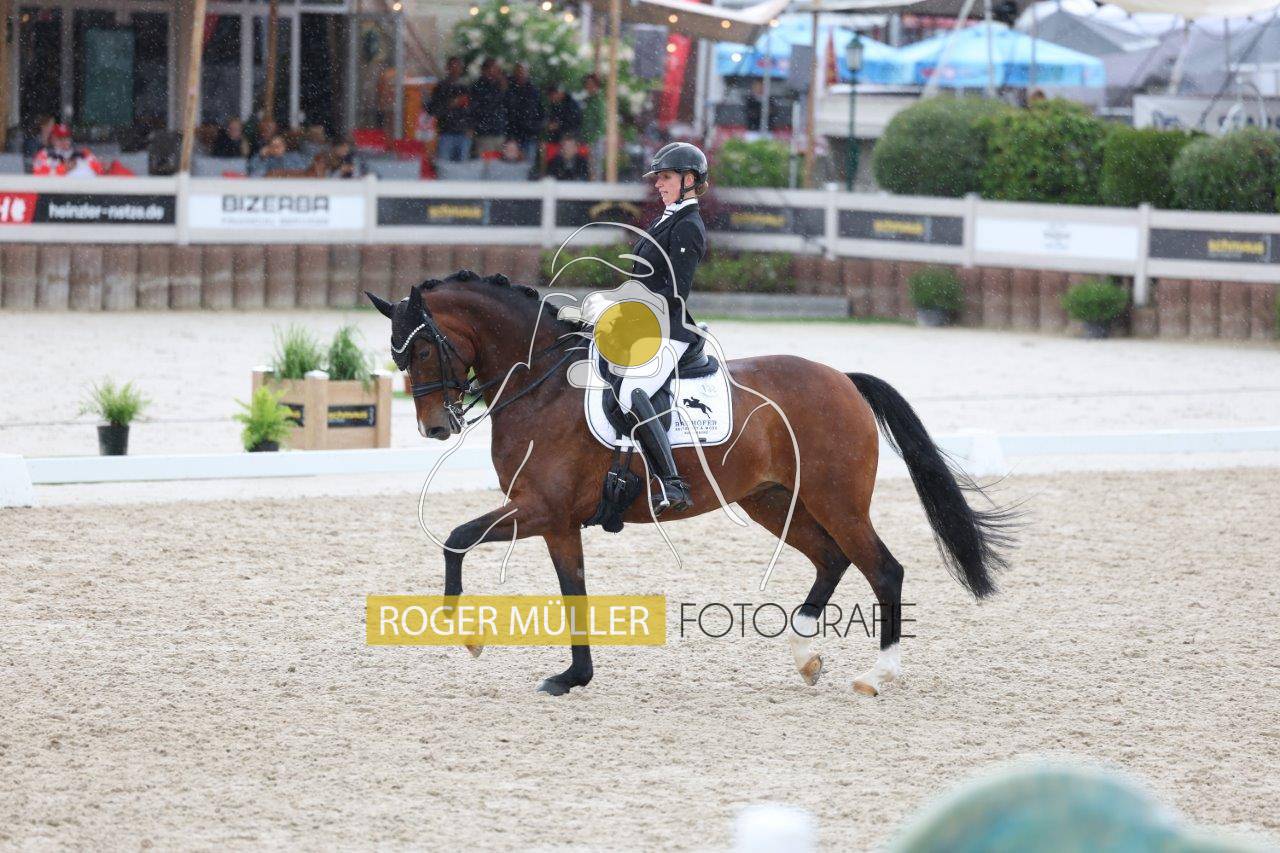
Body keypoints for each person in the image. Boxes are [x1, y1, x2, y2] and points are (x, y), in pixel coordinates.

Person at [615, 141, 709, 513]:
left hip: (669, 329)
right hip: (645, 324)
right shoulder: (667, 217)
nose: (658, 184)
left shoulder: (688, 226)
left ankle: (673, 483)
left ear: (689, 180)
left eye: (666, 177)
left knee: (632, 391)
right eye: (658, 178)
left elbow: (674, 293)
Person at [426, 56, 472, 163]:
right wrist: (450, 104)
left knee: (463, 168)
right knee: (445, 166)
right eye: (453, 66)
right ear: (447, 68)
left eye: (459, 66)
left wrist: (471, 127)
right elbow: (432, 110)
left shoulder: (465, 87)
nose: (456, 69)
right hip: (446, 133)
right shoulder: (441, 87)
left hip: (463, 133)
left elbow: (472, 110)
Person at [504, 63, 544, 164]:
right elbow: (505, 111)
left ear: (528, 73)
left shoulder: (534, 91)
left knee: (527, 165)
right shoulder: (508, 89)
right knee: (510, 165)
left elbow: (541, 112)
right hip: (512, 135)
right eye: (519, 71)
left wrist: (536, 128)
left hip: (530, 135)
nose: (521, 74)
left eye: (523, 71)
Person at [469, 57, 508, 156]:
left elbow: (508, 106)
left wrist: (503, 89)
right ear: (485, 70)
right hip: (484, 133)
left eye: (497, 69)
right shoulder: (478, 86)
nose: (497, 71)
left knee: (500, 163)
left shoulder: (501, 85)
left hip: (499, 131)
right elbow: (480, 107)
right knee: (486, 162)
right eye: (494, 68)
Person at [31, 124, 104, 176]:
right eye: (60, 139)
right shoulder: (44, 154)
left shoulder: (83, 153)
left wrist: (105, 167)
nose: (64, 141)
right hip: (56, 191)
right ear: (52, 139)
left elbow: (99, 171)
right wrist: (64, 169)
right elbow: (39, 175)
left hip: (85, 189)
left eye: (66, 138)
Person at [579, 74, 604, 180]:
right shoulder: (587, 100)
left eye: (591, 84)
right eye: (587, 84)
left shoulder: (599, 100)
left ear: (596, 85)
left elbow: (601, 122)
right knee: (589, 166)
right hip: (587, 138)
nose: (589, 86)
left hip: (596, 139)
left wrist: (593, 138)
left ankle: (597, 186)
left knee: (595, 166)